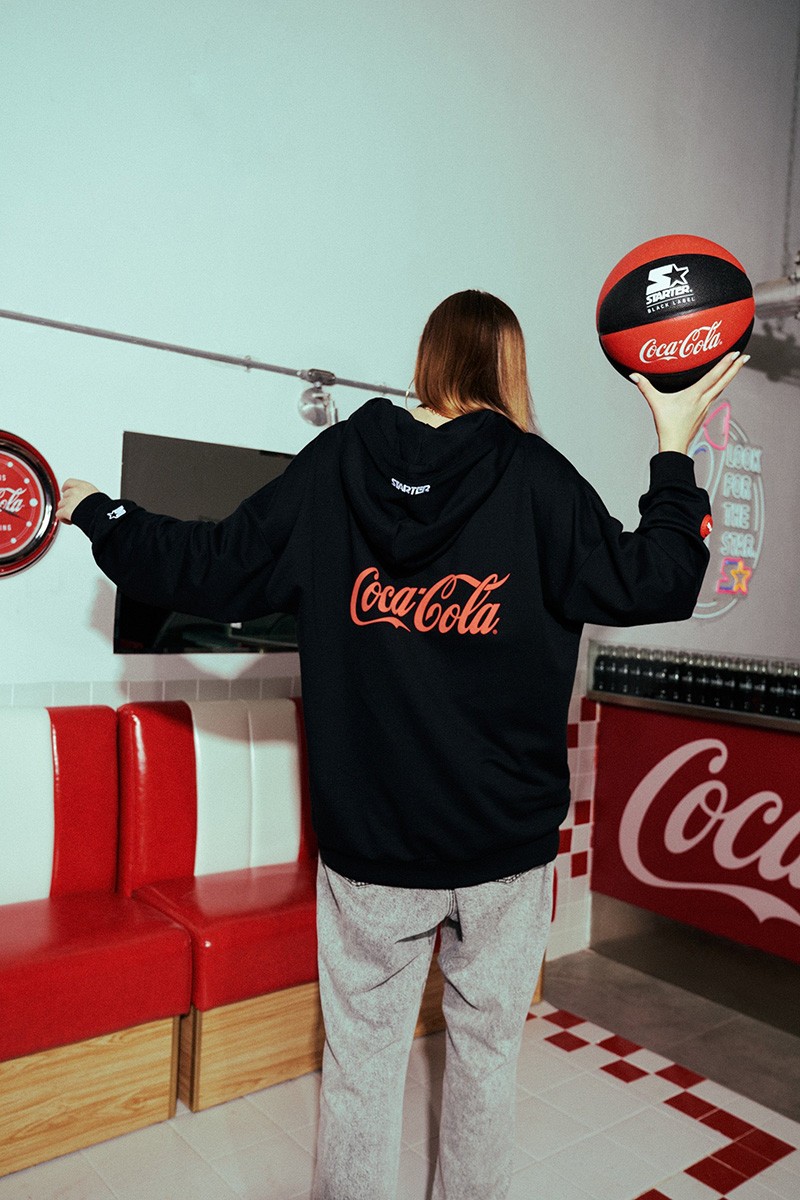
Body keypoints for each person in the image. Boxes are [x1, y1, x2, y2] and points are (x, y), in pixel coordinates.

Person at [57, 290, 747, 1200]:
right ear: (509, 367)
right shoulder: (535, 477)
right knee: (487, 1060)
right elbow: (656, 579)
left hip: (372, 849)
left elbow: (210, 566)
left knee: (362, 1068)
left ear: (427, 360)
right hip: (505, 849)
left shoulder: (338, 463)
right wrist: (672, 444)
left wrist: (99, 514)